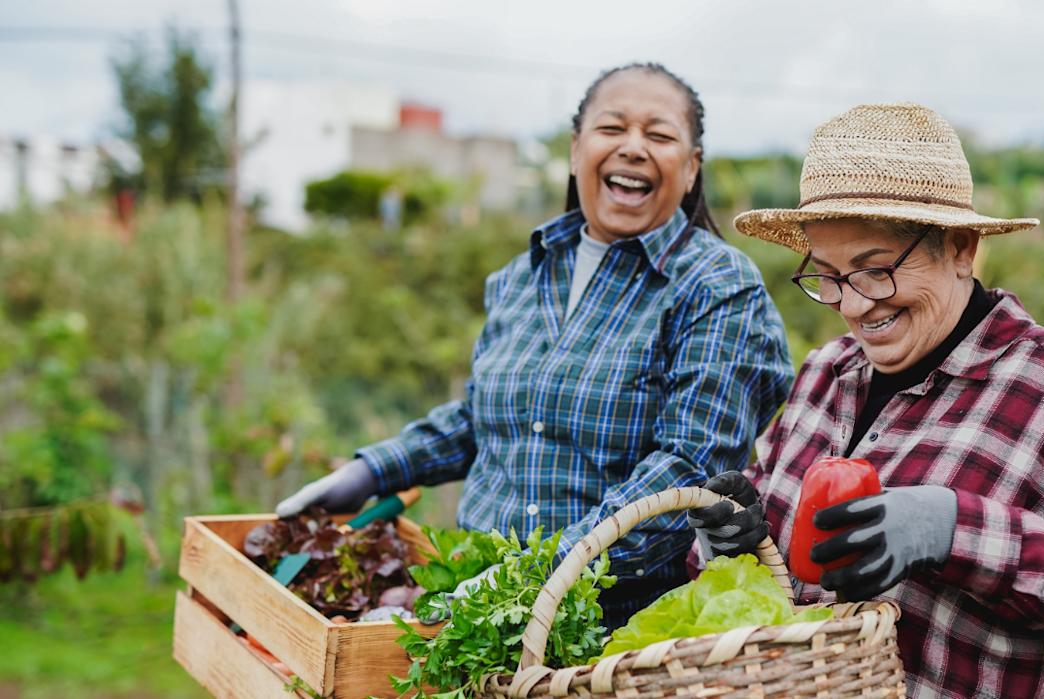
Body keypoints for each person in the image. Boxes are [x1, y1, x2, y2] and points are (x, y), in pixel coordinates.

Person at [688, 103, 1044, 698]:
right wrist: (730, 546)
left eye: (875, 270)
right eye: (827, 274)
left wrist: (954, 530)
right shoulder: (825, 373)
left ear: (959, 249)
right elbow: (777, 571)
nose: (852, 305)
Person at [277, 63, 793, 628]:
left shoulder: (717, 286)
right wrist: (374, 471)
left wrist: (533, 577)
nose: (633, 148)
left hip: (605, 628)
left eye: (660, 135)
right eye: (612, 127)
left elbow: (688, 469)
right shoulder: (521, 277)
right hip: (465, 607)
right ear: (576, 151)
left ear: (691, 169)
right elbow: (484, 419)